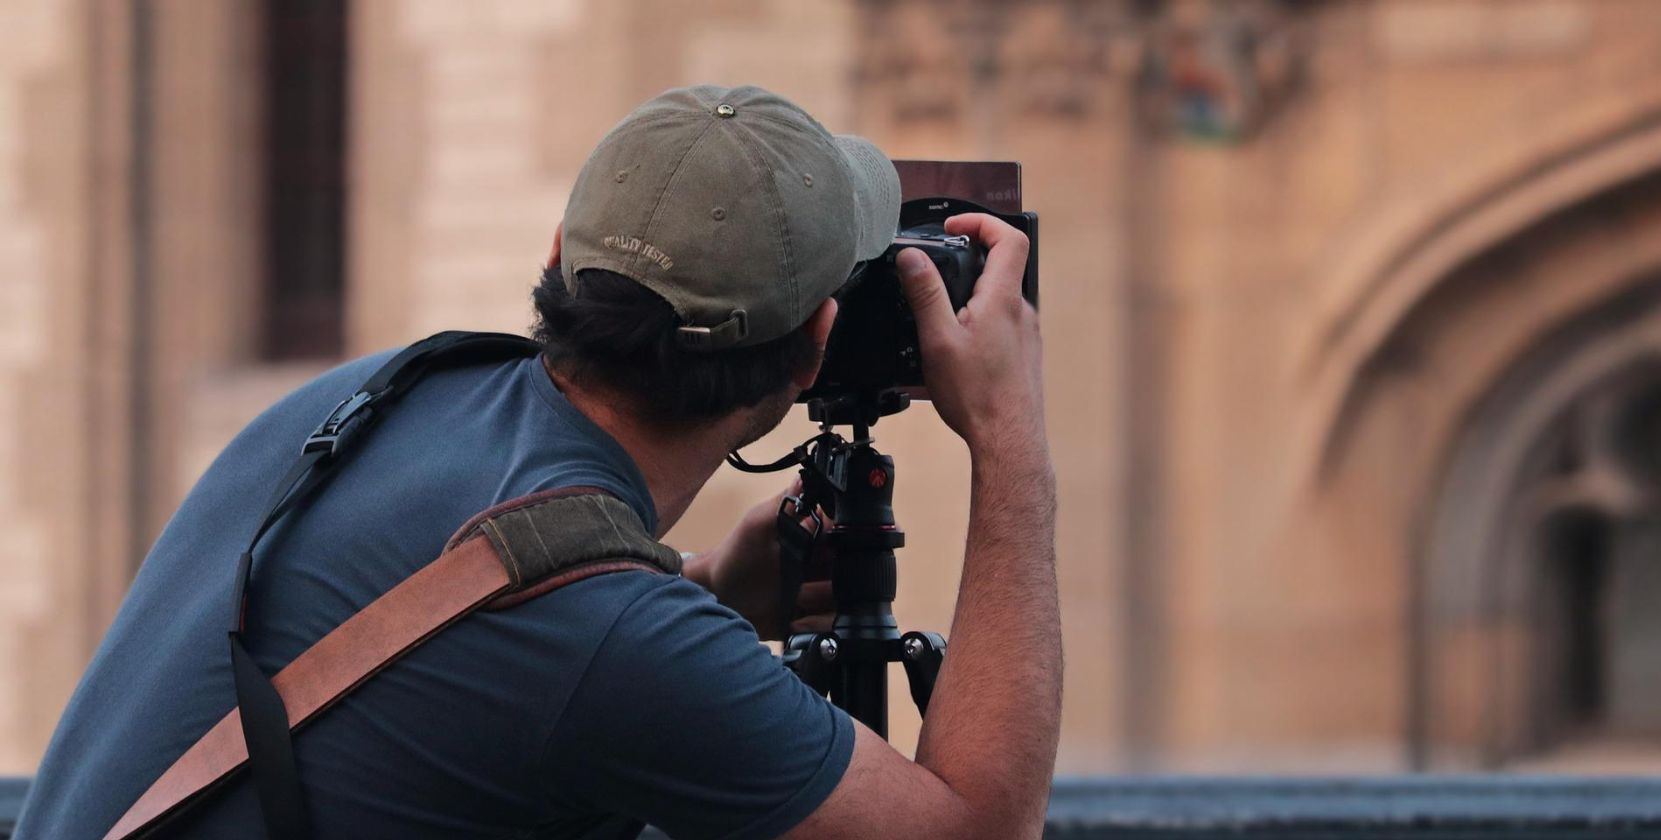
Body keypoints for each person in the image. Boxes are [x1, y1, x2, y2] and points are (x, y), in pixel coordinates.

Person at [16, 84, 1059, 840]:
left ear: (559, 256)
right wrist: (1009, 441)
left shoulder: (373, 396)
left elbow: (492, 663)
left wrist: (708, 596)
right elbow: (975, 832)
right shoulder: (606, 635)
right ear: (816, 343)